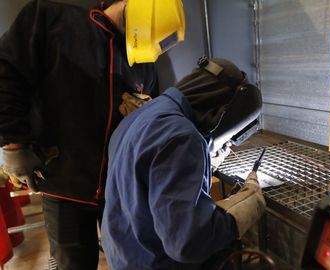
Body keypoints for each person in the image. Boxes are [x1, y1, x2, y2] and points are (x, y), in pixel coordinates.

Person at [0, 0, 185, 269]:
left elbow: (153, 121)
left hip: (120, 189)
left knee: (133, 260)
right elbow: (7, 74)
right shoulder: (50, 19)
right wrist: (13, 144)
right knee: (72, 263)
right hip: (65, 185)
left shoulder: (142, 61)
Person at [101, 57, 266, 269]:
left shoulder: (147, 113)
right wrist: (238, 213)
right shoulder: (181, 137)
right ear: (221, 112)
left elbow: (150, 176)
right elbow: (187, 244)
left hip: (126, 253)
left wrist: (202, 159)